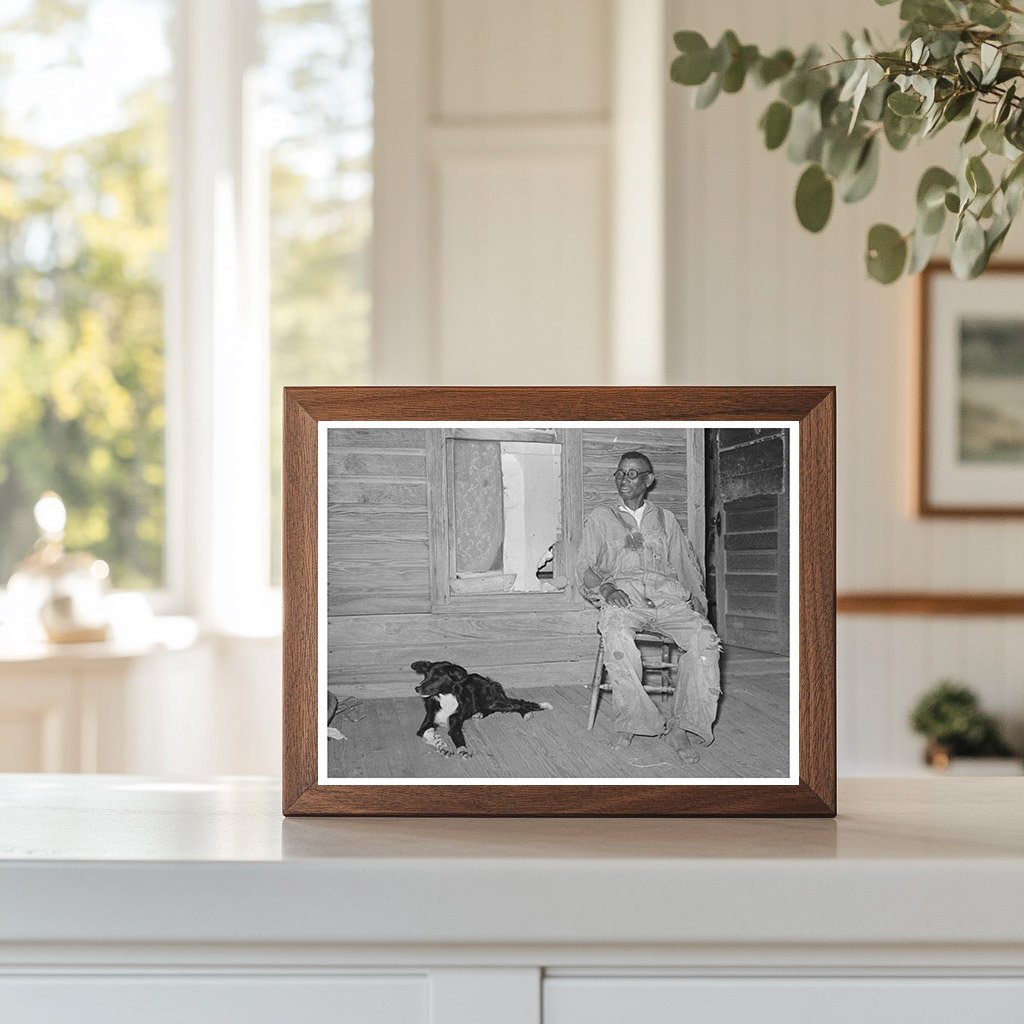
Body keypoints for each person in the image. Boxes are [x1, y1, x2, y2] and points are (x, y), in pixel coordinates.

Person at [576, 450, 721, 764]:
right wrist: (606, 587)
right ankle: (634, 720)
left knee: (705, 642)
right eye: (619, 473)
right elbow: (585, 567)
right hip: (624, 599)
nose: (623, 479)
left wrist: (698, 606)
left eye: (632, 473)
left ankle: (681, 727)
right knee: (615, 637)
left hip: (668, 600)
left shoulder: (665, 519)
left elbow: (686, 566)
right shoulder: (601, 518)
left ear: (648, 480)